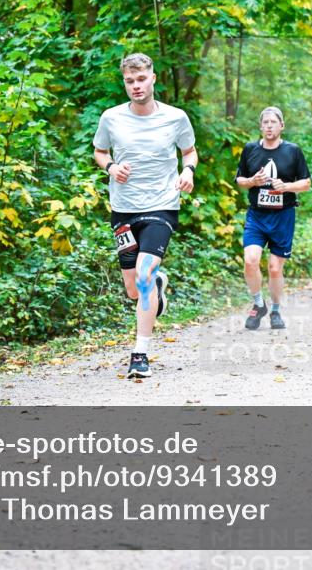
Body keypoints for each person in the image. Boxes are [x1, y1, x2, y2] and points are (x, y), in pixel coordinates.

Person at [93, 53, 198, 378]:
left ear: (153, 78)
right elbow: (100, 151)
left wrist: (189, 171)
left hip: (162, 206)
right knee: (133, 288)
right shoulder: (111, 118)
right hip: (123, 208)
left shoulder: (176, 117)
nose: (136, 86)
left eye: (141, 79)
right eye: (130, 81)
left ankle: (140, 354)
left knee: (143, 274)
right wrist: (111, 167)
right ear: (124, 82)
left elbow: (189, 151)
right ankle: (157, 289)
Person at [235, 107, 312, 330]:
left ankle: (276, 310)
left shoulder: (293, 151)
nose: (269, 126)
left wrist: (286, 186)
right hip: (257, 215)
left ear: (281, 126)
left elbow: (306, 183)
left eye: (273, 122)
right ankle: (259, 304)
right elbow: (240, 179)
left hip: (283, 216)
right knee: (250, 261)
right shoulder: (250, 149)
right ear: (261, 127)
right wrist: (252, 181)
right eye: (265, 122)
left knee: (275, 268)